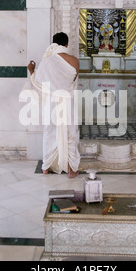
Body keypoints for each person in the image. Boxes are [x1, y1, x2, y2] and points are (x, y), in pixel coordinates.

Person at [27, 32, 81, 178]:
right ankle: (71, 169)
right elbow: (71, 82)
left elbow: (38, 83)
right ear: (67, 44)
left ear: (53, 43)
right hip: (67, 102)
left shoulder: (47, 61)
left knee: (50, 133)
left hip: (52, 103)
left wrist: (31, 70)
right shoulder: (75, 61)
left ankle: (46, 167)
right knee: (70, 134)